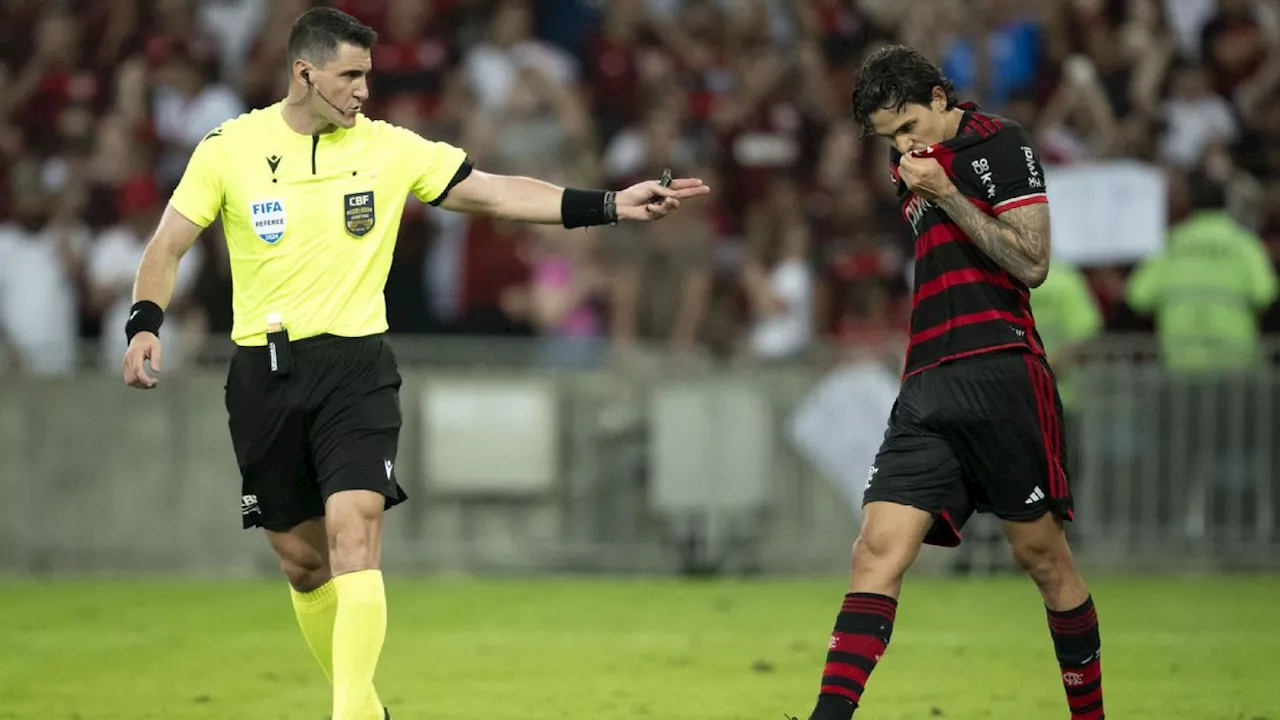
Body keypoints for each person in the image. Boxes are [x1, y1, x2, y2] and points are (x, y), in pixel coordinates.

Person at [119, 8, 709, 720]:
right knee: (304, 565)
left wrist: (610, 204)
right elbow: (167, 245)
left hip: (356, 367)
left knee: (355, 532)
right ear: (305, 73)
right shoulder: (230, 148)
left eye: (369, 74)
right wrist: (144, 323)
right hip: (262, 375)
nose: (366, 89)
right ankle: (367, 709)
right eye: (351, 75)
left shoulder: (390, 149)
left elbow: (496, 192)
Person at [797, 46, 1104, 720]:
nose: (901, 146)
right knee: (875, 549)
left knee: (1042, 558)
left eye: (907, 125)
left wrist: (946, 192)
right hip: (926, 381)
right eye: (888, 137)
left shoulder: (1001, 145)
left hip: (1002, 368)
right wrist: (926, 176)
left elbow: (1032, 261)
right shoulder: (907, 162)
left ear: (940, 98)